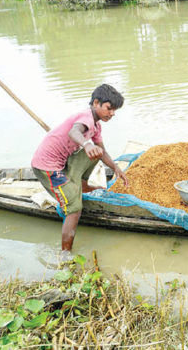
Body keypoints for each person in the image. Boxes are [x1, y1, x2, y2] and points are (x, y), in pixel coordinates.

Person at [31, 84, 129, 251]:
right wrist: (86, 144)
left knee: (97, 151)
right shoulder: (85, 118)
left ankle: (81, 186)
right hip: (46, 167)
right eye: (109, 108)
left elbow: (102, 151)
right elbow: (74, 132)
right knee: (75, 208)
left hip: (63, 163)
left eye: (115, 110)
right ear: (96, 102)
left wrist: (115, 168)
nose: (112, 113)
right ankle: (66, 253)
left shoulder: (97, 126)